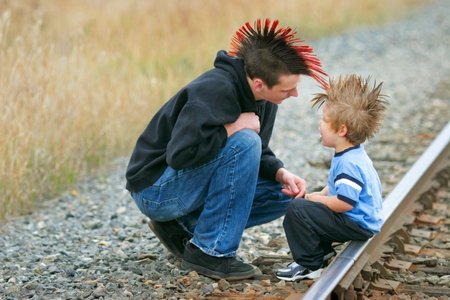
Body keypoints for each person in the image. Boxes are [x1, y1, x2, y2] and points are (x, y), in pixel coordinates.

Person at [125, 18, 328, 280]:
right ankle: (211, 253)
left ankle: (182, 226)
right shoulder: (214, 91)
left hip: (184, 184)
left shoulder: (265, 99)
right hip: (156, 190)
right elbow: (180, 155)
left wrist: (280, 172)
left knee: (284, 195)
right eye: (288, 89)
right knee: (246, 141)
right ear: (258, 83)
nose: (295, 95)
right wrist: (230, 129)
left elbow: (255, 153)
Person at [276, 74, 388, 281]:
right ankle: (324, 252)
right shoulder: (353, 153)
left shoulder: (348, 164)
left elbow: (344, 202)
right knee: (307, 207)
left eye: (325, 121)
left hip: (356, 224)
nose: (320, 124)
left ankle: (311, 264)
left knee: (297, 209)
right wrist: (322, 194)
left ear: (342, 130)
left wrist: (317, 199)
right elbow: (336, 188)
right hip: (361, 221)